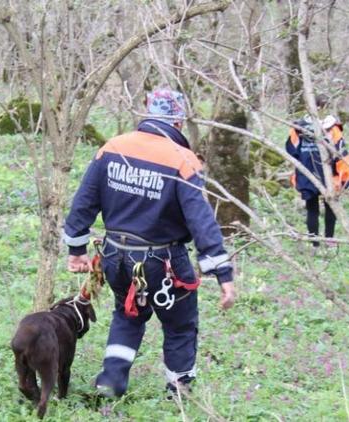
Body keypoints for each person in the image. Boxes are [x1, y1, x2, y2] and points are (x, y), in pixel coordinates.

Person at [62, 88, 235, 398]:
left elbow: (83, 203)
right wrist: (223, 274)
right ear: (179, 122)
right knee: (180, 324)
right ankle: (179, 391)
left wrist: (76, 250)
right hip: (163, 263)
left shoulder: (113, 148)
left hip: (114, 257)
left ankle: (111, 382)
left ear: (147, 114)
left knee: (127, 314)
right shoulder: (183, 161)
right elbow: (201, 221)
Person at [285, 95, 349, 249]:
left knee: (312, 208)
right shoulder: (333, 128)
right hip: (330, 174)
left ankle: (314, 243)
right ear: (324, 107)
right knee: (330, 207)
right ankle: (329, 239)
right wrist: (346, 178)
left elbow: (291, 150)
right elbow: (341, 153)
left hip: (307, 173)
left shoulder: (298, 128)